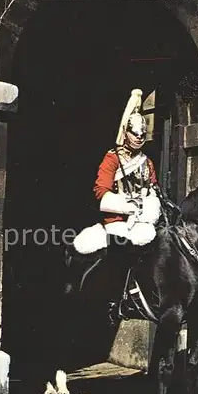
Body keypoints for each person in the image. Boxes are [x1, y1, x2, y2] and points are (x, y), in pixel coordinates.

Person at [65, 89, 162, 293]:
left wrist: (151, 206)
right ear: (126, 132)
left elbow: (153, 189)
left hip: (144, 221)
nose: (139, 137)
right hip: (116, 222)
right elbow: (101, 192)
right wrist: (130, 207)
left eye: (142, 134)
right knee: (119, 250)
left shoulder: (148, 162)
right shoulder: (112, 158)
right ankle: (116, 294)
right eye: (134, 133)